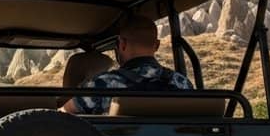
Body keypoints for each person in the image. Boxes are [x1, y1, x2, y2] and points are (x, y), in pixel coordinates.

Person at [63, 15, 193, 114]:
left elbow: (63, 114)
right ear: (157, 45)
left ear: (122, 44)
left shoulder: (103, 85)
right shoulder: (182, 83)